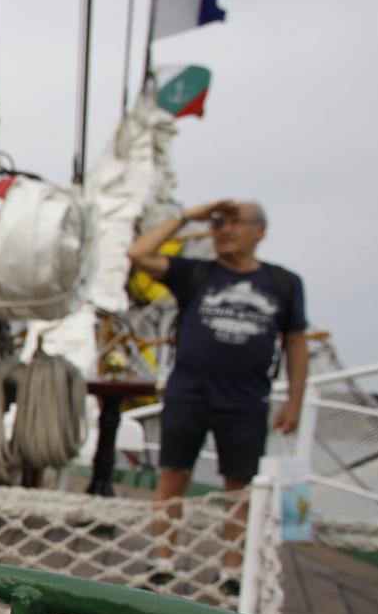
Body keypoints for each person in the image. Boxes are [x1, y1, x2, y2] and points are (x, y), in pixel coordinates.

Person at [126, 198, 307, 592]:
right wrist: (189, 216)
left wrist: (294, 401)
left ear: (259, 231)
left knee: (239, 489)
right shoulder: (196, 273)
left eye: (234, 223)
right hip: (189, 394)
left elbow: (295, 343)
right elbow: (138, 253)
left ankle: (229, 575)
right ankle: (162, 563)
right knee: (173, 478)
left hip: (245, 401)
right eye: (217, 223)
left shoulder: (283, 284)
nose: (222, 230)